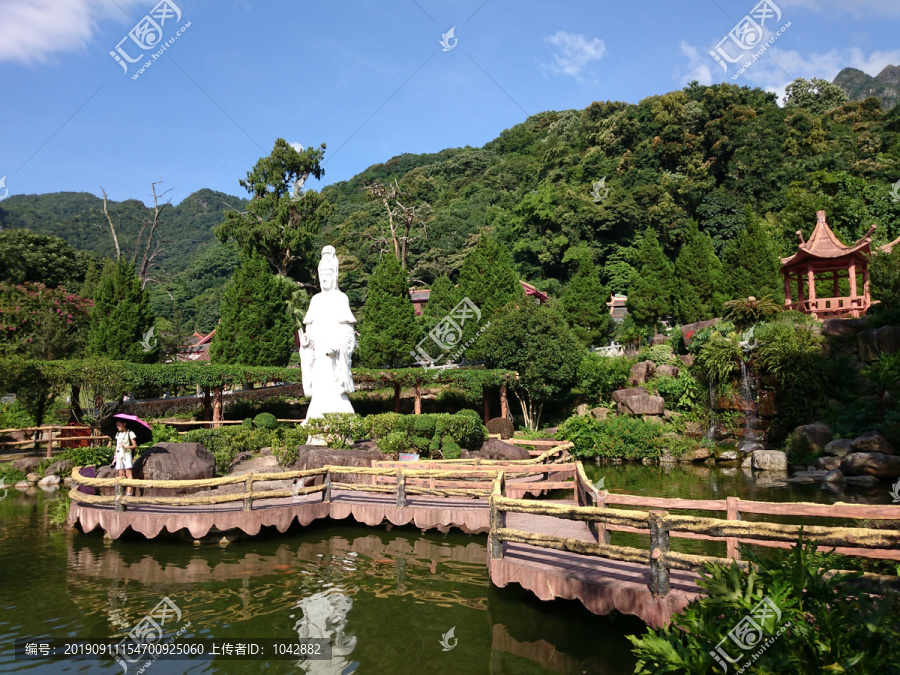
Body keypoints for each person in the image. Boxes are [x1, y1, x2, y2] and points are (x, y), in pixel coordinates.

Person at [114, 419, 137, 497]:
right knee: (121, 474)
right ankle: (121, 493)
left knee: (128, 474)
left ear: (124, 424)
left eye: (119, 425)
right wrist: (115, 457)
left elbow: (134, 445)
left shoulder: (130, 433)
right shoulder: (117, 434)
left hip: (127, 454)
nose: (118, 427)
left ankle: (129, 494)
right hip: (119, 455)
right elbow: (116, 446)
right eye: (117, 425)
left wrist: (126, 447)